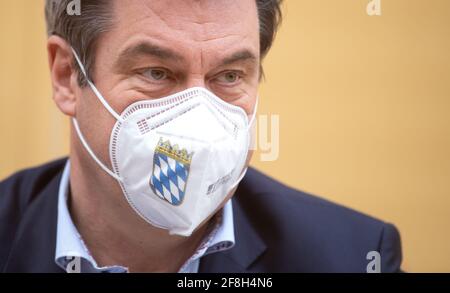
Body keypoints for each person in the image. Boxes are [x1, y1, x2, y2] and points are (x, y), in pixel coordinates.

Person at [0, 0, 402, 273]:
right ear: (67, 76)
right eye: (156, 72)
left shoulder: (351, 255)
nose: (196, 115)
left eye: (229, 76)